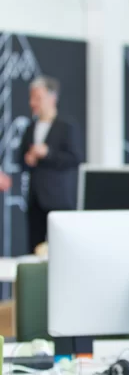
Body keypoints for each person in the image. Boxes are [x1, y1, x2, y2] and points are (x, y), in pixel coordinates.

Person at [19, 75, 82, 253]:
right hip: (35, 200)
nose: (33, 103)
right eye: (31, 98)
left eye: (37, 98)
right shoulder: (29, 128)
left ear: (52, 97)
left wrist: (47, 154)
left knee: (63, 249)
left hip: (59, 201)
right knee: (34, 249)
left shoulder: (66, 127)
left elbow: (75, 158)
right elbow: (21, 160)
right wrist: (28, 159)